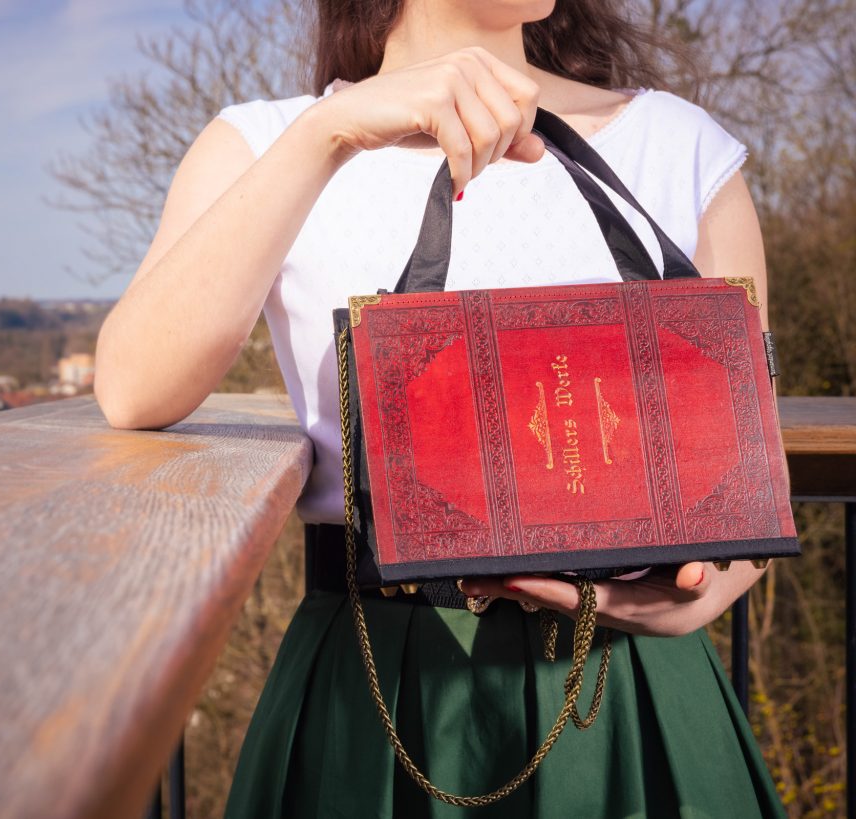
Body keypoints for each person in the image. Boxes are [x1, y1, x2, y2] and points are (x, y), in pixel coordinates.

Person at [94, 0, 785, 815]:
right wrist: (332, 133)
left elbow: (744, 450)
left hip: (634, 688)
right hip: (378, 687)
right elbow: (135, 387)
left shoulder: (678, 143)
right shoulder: (269, 141)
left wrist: (724, 582)